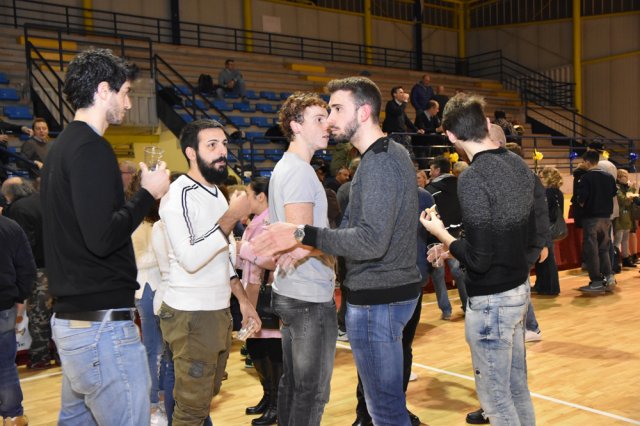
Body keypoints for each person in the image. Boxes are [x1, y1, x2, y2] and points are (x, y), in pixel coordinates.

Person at [253, 77, 422, 426]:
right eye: (325, 113)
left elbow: (370, 241)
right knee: (378, 404)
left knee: (383, 409)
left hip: (379, 298)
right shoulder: (384, 156)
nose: (330, 120)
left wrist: (303, 235)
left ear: (363, 112)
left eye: (336, 109)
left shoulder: (379, 162)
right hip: (382, 293)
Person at [40, 48, 171, 425]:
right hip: (101, 329)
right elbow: (102, 237)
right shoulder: (91, 148)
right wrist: (147, 194)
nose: (128, 104)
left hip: (75, 323)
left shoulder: (60, 149)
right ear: (103, 90)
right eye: (125, 92)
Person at [421, 93, 537, 425]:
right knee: (516, 389)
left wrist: (441, 234)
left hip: (492, 300)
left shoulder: (473, 178)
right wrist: (453, 246)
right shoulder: (516, 162)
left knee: (496, 400)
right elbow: (512, 233)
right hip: (518, 289)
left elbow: (479, 259)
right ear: (486, 123)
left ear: (450, 136)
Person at [157, 119, 260, 425]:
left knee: (205, 397)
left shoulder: (215, 193)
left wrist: (243, 300)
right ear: (191, 152)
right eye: (211, 145)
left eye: (224, 144)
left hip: (216, 310)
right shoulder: (178, 195)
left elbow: (222, 255)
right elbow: (190, 258)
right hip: (191, 314)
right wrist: (230, 218)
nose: (222, 152)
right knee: (192, 408)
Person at [261, 92, 338, 426]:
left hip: (295, 291)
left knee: (294, 386)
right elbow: (301, 238)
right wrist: (339, 243)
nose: (327, 126)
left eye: (327, 119)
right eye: (318, 120)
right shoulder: (299, 172)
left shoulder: (289, 167)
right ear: (295, 125)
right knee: (311, 391)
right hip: (307, 296)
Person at [236, 177, 281, 426]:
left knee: (271, 350)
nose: (245, 198)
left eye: (248, 194)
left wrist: (242, 248)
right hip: (251, 290)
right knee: (255, 347)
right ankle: (268, 395)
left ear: (261, 197)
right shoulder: (254, 221)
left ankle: (277, 404)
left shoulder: (272, 221)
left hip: (265, 292)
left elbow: (271, 259)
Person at [125, 172, 167, 425]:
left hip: (160, 286)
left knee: (162, 348)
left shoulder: (156, 215)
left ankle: (160, 396)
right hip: (148, 286)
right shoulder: (138, 218)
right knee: (153, 348)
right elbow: (140, 259)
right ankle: (152, 403)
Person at [1, 177, 53, 370]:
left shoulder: (17, 209)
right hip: (59, 266)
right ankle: (59, 354)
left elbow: (24, 247)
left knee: (39, 315)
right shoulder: (45, 200)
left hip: (37, 269)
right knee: (57, 314)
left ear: (9, 194)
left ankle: (40, 357)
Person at [0, 214, 36, 426]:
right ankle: (13, 417)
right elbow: (27, 268)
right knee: (5, 364)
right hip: (4, 304)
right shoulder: (10, 227)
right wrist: (20, 297)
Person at [425, 156, 467, 319]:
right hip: (458, 234)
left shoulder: (431, 189)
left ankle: (446, 311)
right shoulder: (461, 184)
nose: (430, 173)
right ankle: (468, 306)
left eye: (431, 169)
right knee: (459, 271)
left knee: (438, 274)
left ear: (437, 170)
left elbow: (429, 214)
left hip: (437, 236)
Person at [575, 149, 618, 293]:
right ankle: (609, 276)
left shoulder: (586, 178)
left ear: (587, 162)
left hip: (591, 217)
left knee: (592, 250)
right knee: (604, 248)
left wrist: (582, 203)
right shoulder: (609, 177)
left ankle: (596, 281)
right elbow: (613, 193)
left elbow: (582, 199)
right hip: (606, 217)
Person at [533, 166, 563, 296]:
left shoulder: (546, 193)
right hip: (551, 226)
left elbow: (542, 212)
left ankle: (549, 287)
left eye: (541, 177)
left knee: (546, 258)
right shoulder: (557, 192)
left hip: (545, 227)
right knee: (545, 257)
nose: (539, 179)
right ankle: (541, 284)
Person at [382, 86, 423, 155]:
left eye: (403, 92)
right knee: (395, 154)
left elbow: (407, 120)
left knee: (407, 154)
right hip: (394, 135)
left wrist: (416, 129)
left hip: (402, 135)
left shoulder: (401, 107)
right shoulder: (390, 104)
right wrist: (405, 101)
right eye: (401, 92)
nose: (403, 94)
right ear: (394, 94)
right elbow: (398, 112)